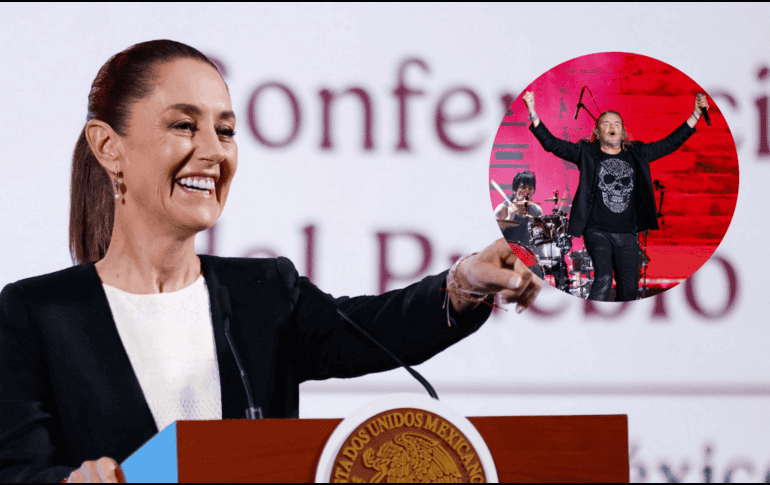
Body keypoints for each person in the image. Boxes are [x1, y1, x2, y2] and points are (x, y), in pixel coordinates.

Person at [0, 40, 541, 483]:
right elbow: (18, 471)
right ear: (108, 146)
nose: (215, 151)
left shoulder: (263, 294)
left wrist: (463, 283)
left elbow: (381, 327)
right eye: (184, 125)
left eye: (226, 130)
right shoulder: (32, 314)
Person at [522, 90, 708, 301]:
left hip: (627, 232)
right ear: (597, 132)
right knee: (603, 276)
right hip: (596, 230)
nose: (612, 127)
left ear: (623, 132)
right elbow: (553, 144)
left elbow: (669, 144)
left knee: (629, 288)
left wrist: (695, 115)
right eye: (606, 124)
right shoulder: (587, 153)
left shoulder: (636, 154)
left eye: (617, 124)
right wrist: (532, 112)